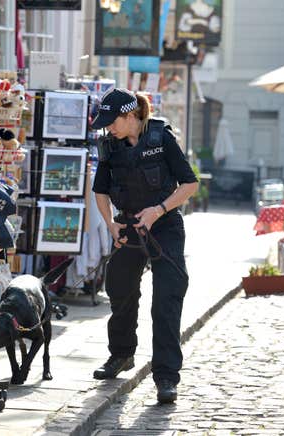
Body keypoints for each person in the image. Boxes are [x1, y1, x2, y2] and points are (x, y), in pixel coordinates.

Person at [90, 88, 198, 404]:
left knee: (166, 298)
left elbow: (190, 184)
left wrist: (159, 210)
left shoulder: (161, 138)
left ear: (130, 115)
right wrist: (111, 223)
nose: (109, 127)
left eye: (113, 121)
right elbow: (100, 190)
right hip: (129, 224)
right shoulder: (110, 146)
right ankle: (122, 354)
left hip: (164, 226)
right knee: (119, 287)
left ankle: (166, 377)